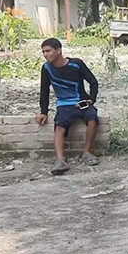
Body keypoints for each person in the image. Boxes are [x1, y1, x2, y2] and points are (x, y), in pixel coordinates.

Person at [35, 38, 100, 175]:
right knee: (59, 127)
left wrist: (91, 100)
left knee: (92, 119)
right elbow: (44, 90)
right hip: (64, 104)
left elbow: (93, 82)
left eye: (48, 51)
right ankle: (61, 160)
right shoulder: (46, 68)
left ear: (59, 50)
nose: (46, 54)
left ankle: (87, 152)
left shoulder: (77, 64)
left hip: (81, 102)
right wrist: (43, 111)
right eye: (43, 52)